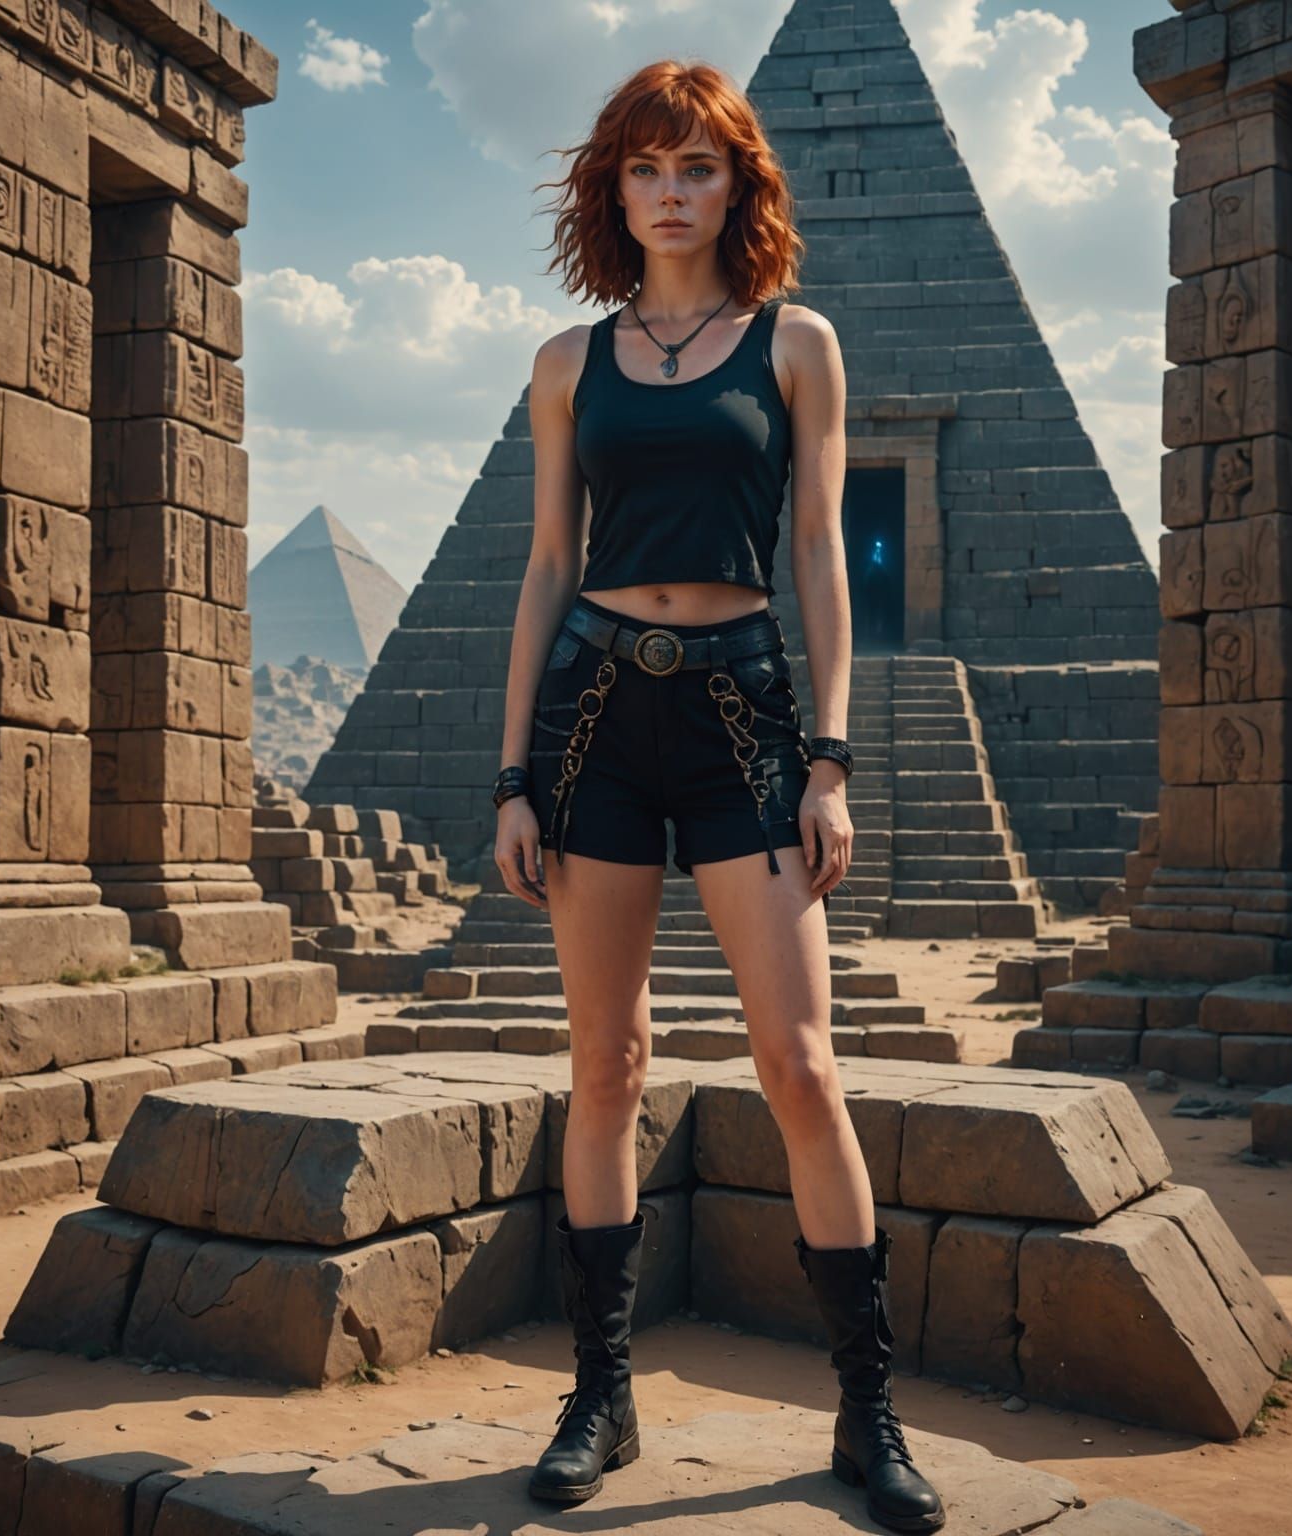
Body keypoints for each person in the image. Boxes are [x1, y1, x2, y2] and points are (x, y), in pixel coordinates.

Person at [489, 59, 945, 1534]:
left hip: (747, 711)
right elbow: (547, 566)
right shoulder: (567, 362)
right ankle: (600, 1397)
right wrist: (513, 775)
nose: (671, 191)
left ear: (738, 183)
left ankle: (868, 1415)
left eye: (698, 165)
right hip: (594, 717)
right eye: (646, 167)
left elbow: (818, 549)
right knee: (606, 1065)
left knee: (800, 1066)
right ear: (612, 190)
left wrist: (833, 756)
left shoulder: (797, 343)